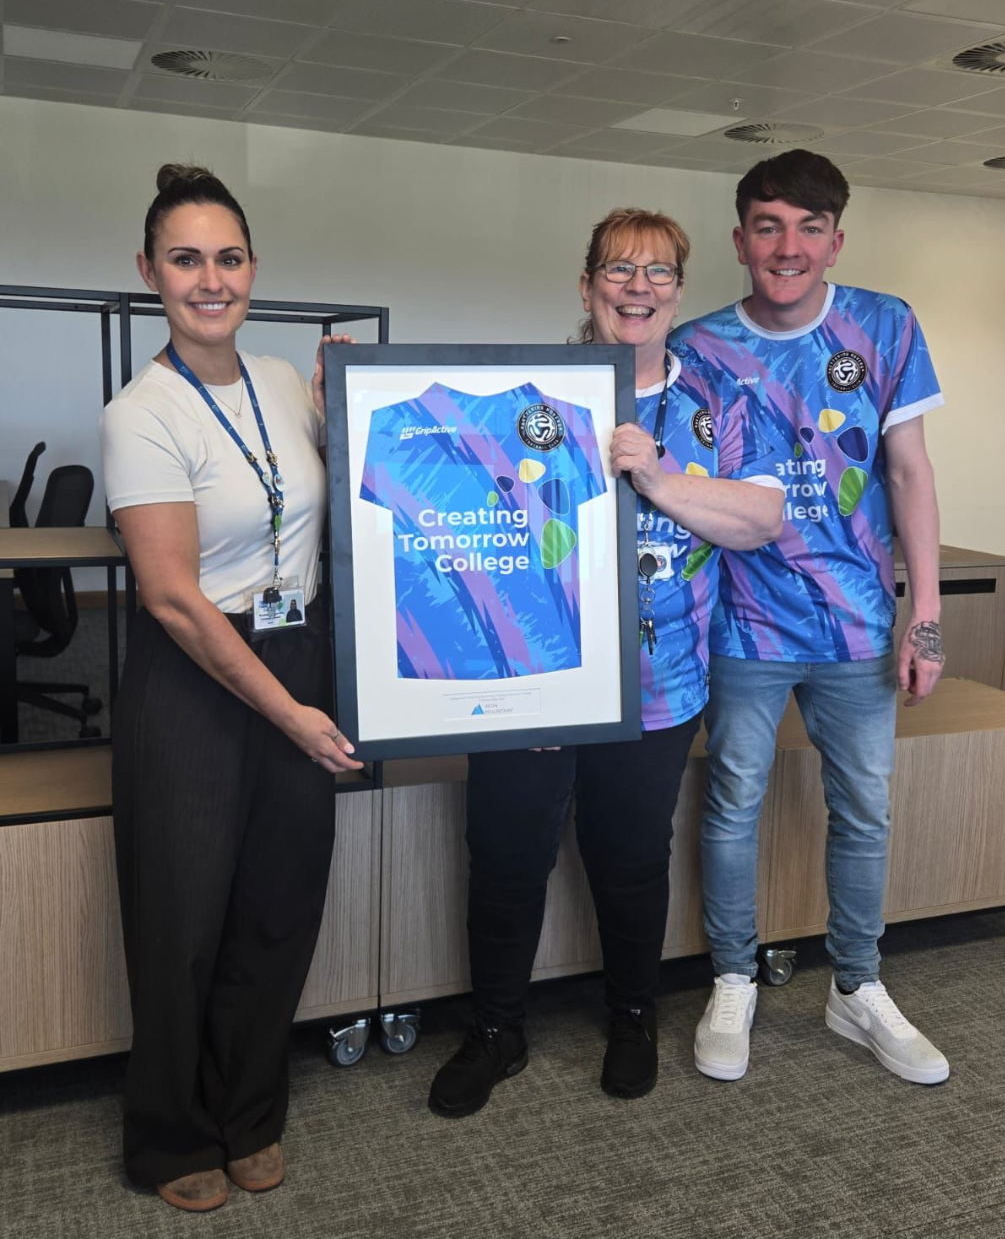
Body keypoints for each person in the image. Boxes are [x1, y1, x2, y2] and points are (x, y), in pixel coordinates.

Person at [427, 208, 784, 1117]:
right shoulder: (522, 398)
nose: (638, 286)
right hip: (531, 675)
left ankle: (631, 1015)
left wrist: (660, 477)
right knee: (506, 855)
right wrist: (338, 408)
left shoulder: (716, 404)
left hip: (657, 688)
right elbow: (447, 501)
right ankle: (496, 1030)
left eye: (658, 272)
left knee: (628, 857)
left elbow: (763, 520)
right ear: (585, 286)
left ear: (677, 292)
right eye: (618, 270)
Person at [99, 164, 362, 1212]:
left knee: (279, 903)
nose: (211, 279)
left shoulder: (274, 386)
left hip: (297, 659)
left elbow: (328, 514)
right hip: (197, 679)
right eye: (186, 259)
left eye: (229, 257)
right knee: (182, 916)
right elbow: (170, 598)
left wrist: (347, 414)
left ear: (253, 269)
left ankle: (249, 1110)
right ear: (150, 273)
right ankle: (168, 1136)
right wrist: (293, 713)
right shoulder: (140, 412)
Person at [672, 149, 950, 1086]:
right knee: (732, 802)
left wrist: (925, 617)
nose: (787, 247)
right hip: (742, 624)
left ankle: (856, 989)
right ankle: (732, 977)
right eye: (767, 225)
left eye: (807, 227)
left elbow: (908, 472)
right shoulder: (700, 347)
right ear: (741, 237)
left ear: (835, 238)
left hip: (858, 626)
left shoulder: (884, 324)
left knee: (863, 809)